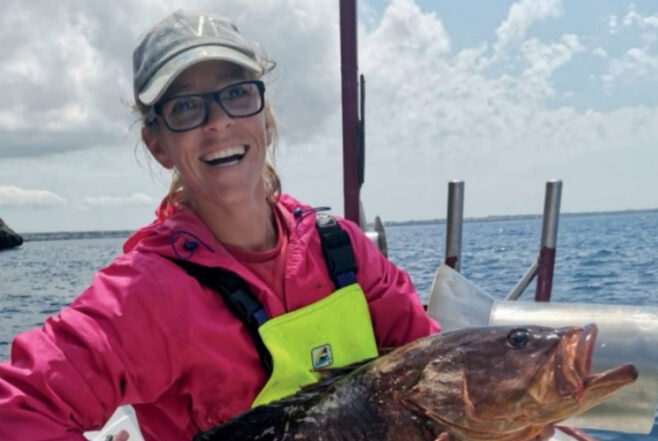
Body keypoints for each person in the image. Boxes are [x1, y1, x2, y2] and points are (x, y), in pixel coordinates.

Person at [0, 9, 440, 441]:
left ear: (264, 115)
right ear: (157, 145)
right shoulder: (148, 292)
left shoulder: (342, 250)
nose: (218, 121)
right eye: (187, 106)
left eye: (237, 94)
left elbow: (435, 372)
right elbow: (19, 407)